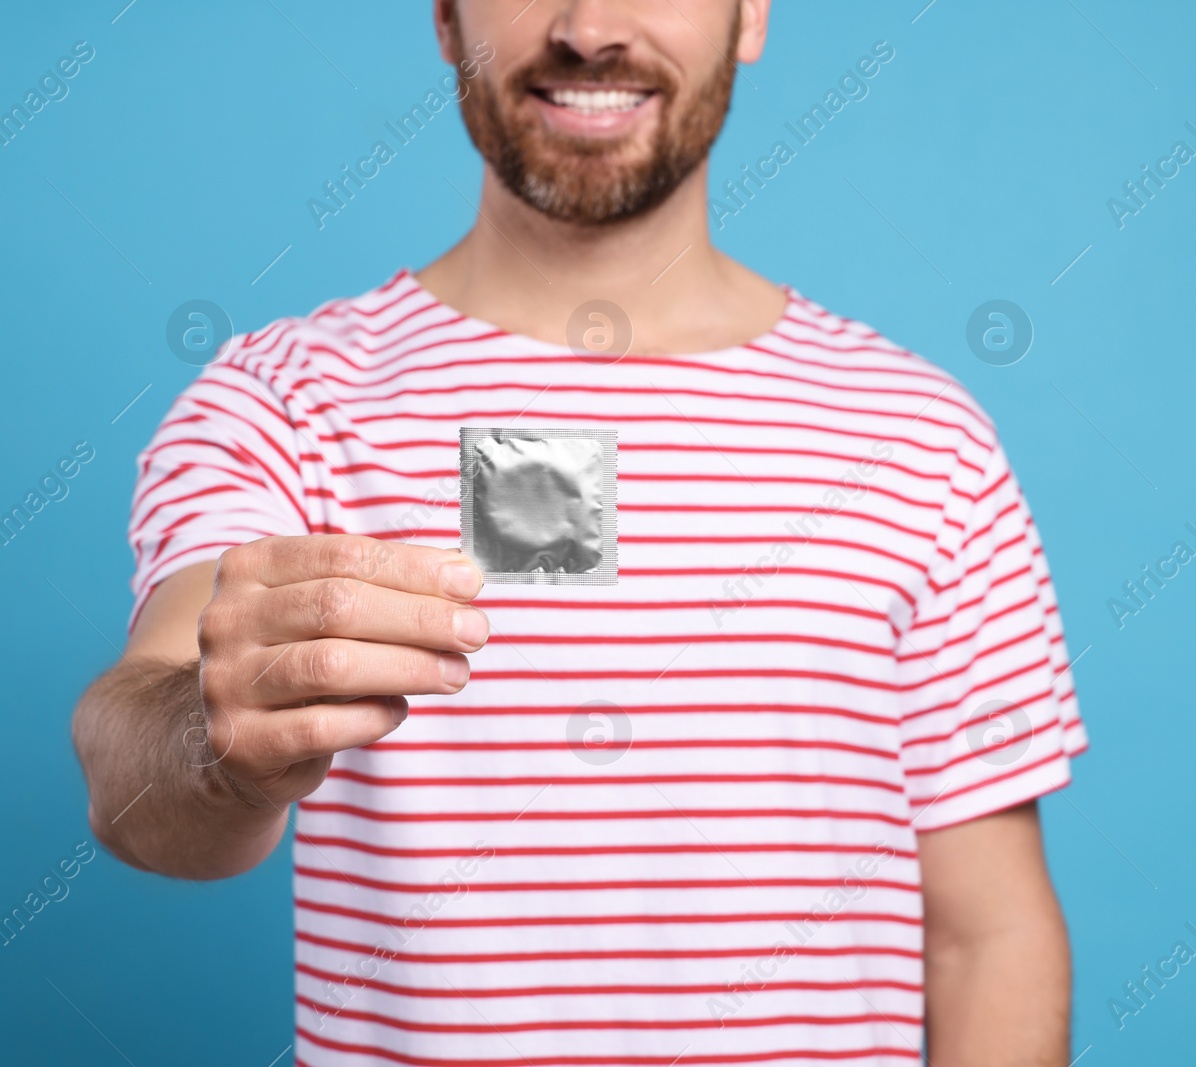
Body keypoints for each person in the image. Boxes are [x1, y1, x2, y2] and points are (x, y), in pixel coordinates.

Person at [71, 1, 1089, 1063]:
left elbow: (989, 935)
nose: (591, 25)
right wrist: (219, 739)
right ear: (444, 16)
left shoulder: (920, 438)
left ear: (750, 15)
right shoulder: (282, 402)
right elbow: (132, 768)